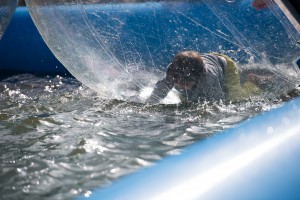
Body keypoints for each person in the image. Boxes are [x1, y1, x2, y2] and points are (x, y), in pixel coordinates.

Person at [145, 51, 270, 104]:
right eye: (179, 82)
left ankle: (254, 82)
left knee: (234, 98)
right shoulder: (173, 72)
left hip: (225, 65)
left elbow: (219, 102)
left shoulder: (209, 77)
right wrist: (150, 104)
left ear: (199, 77)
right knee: (188, 101)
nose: (182, 85)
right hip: (205, 61)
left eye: (187, 82)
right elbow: (160, 90)